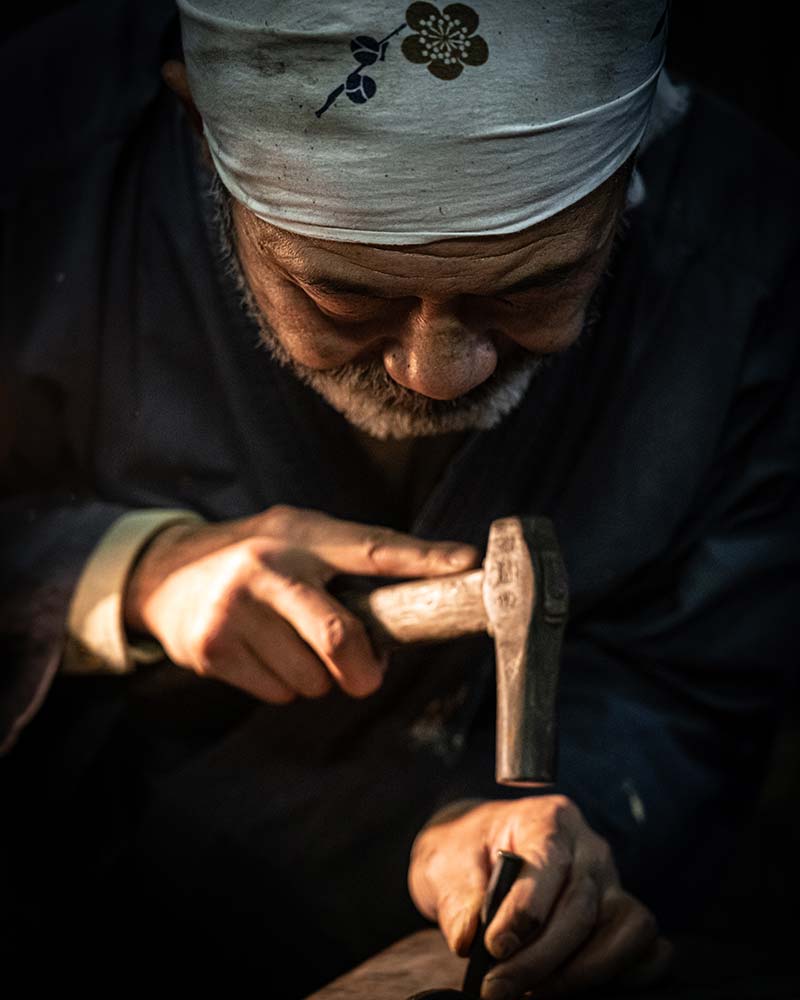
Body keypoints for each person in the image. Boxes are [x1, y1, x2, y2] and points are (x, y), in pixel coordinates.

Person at [1, 0, 797, 995]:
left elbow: (695, 673)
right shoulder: (34, 168)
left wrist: (527, 822)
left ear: (639, 152)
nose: (438, 369)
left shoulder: (745, 255)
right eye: (343, 294)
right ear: (200, 133)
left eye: (527, 291)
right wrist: (117, 573)